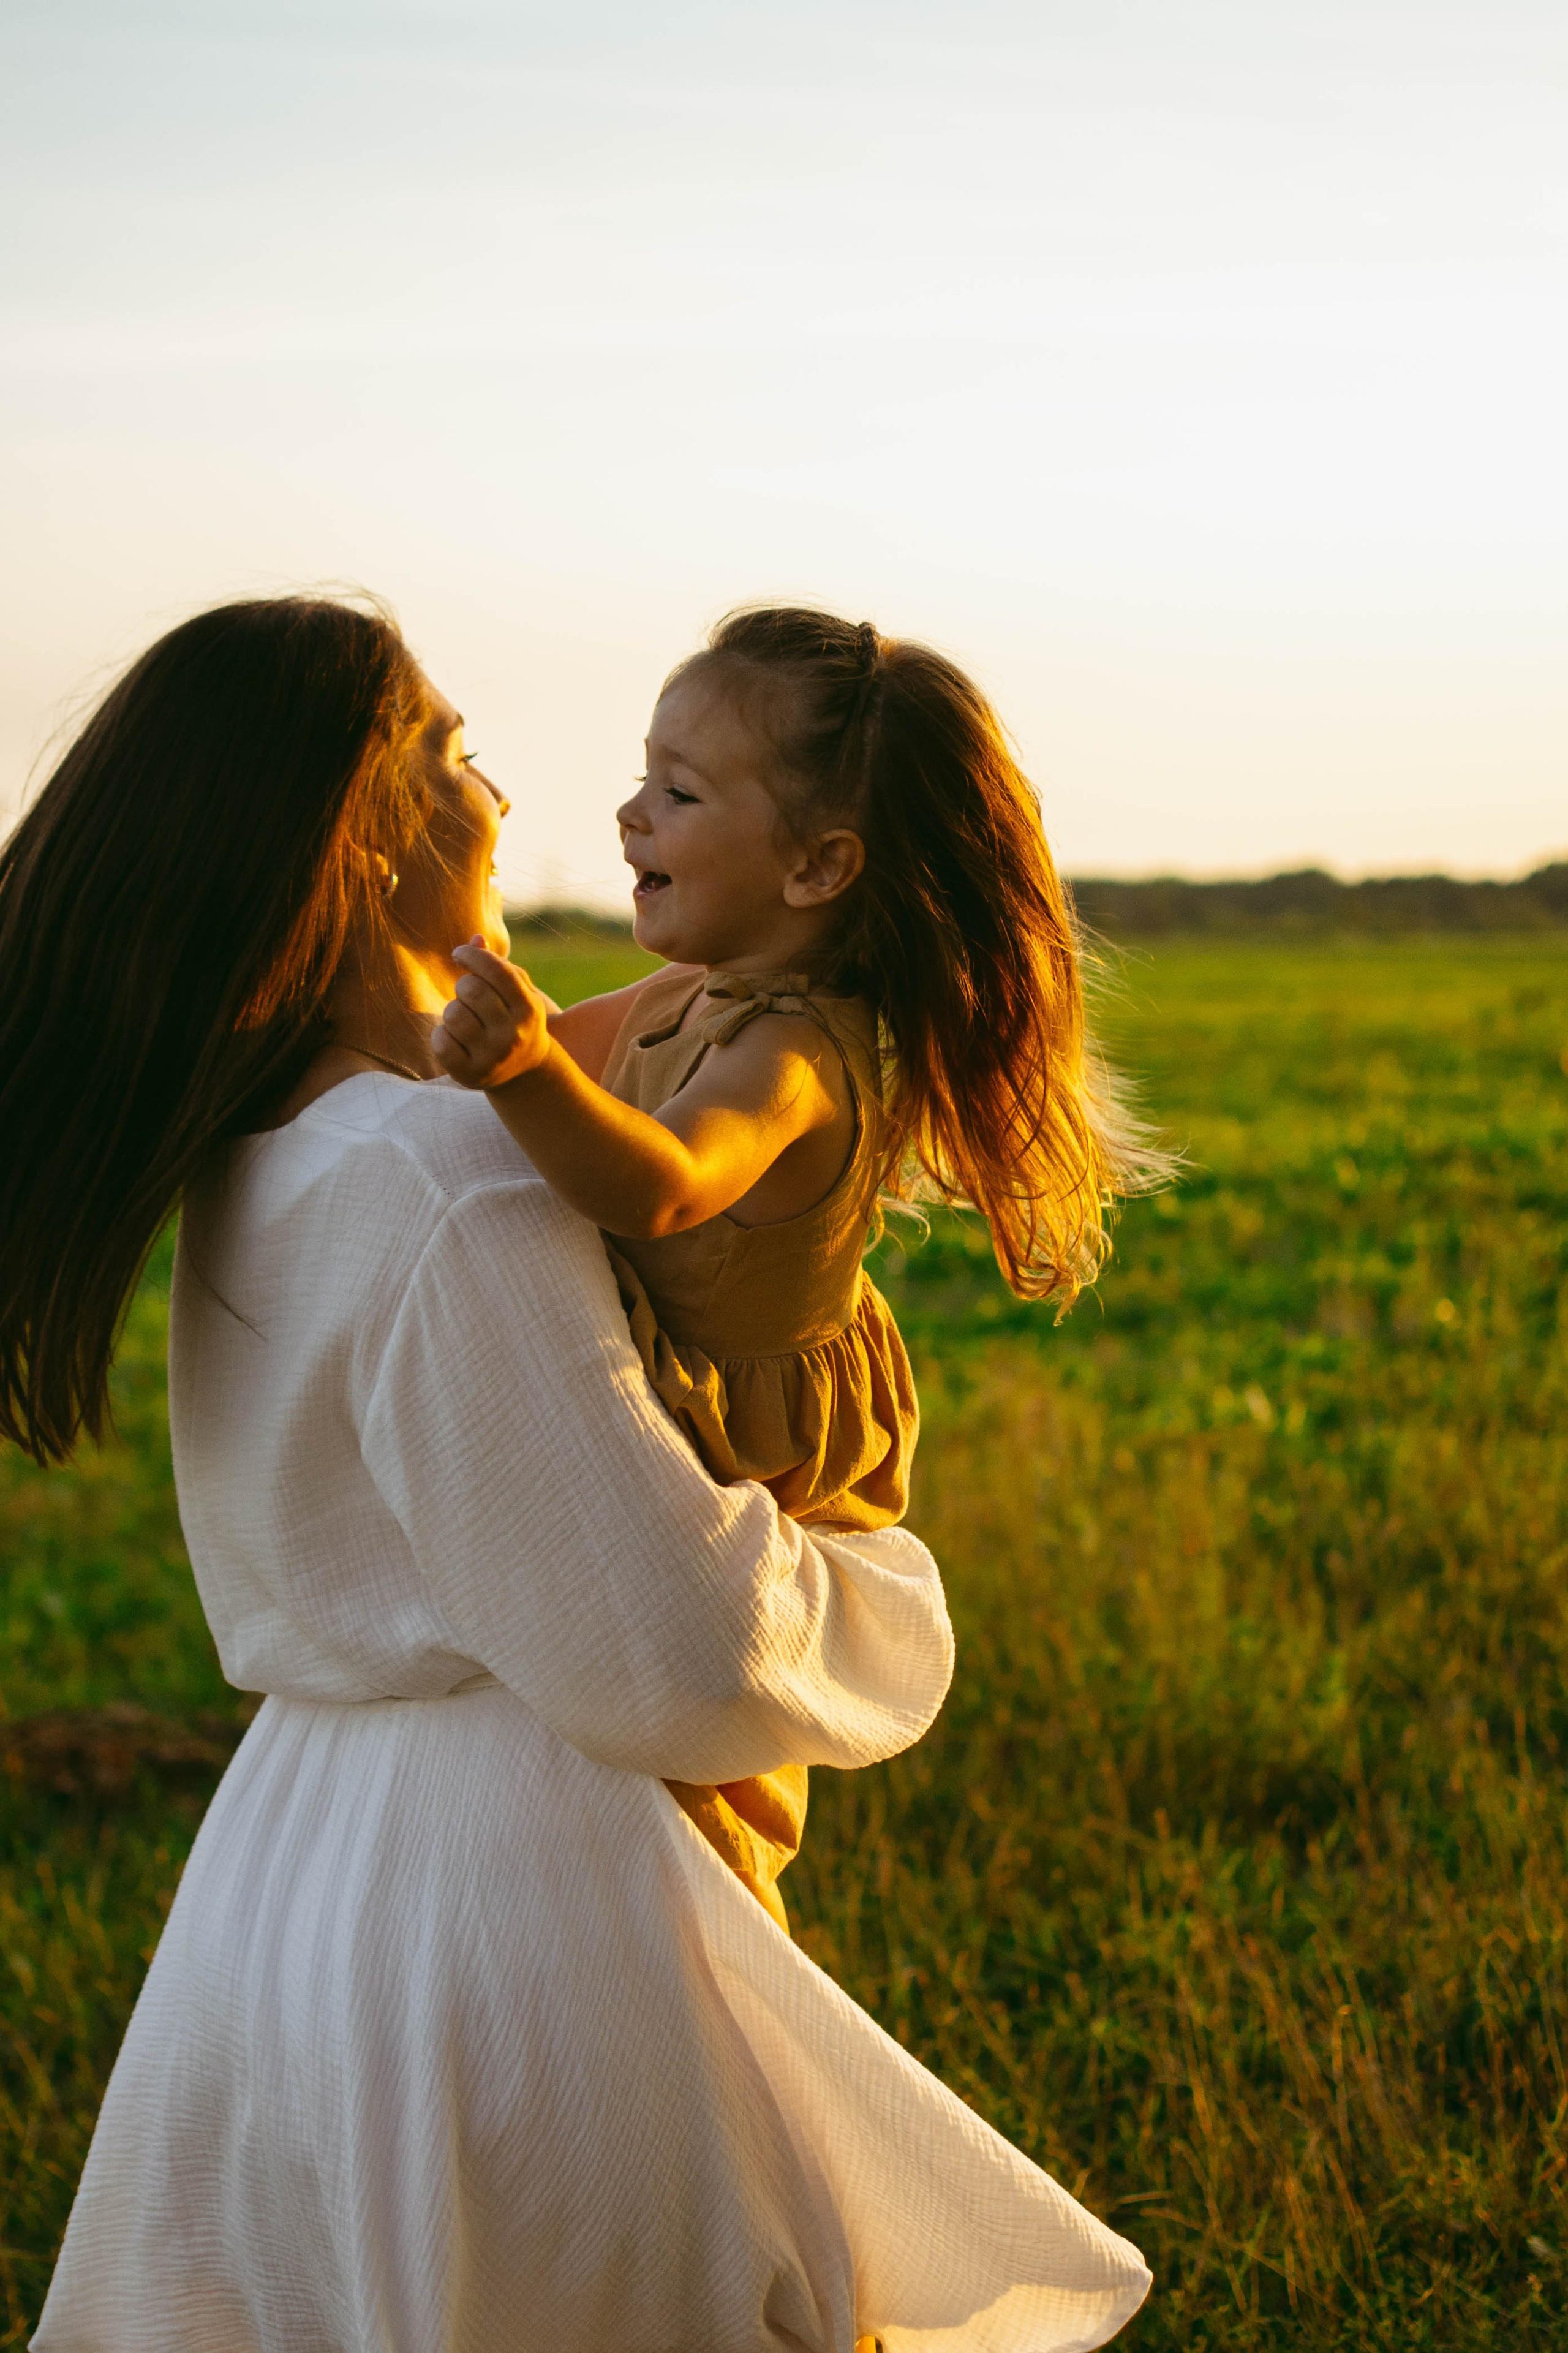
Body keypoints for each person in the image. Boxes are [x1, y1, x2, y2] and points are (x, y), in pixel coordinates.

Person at [1, 593, 1150, 2352]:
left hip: (290, 1872)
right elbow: (676, 1655)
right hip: (506, 1918)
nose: (509, 801)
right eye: (455, 754)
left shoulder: (276, 1150)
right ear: (359, 826)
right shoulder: (442, 1178)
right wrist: (873, 1589)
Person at [431, 606, 1167, 1928]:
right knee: (625, 1753)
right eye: (642, 773)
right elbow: (545, 1036)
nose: (628, 814)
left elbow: (658, 1186)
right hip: (675, 1406)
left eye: (679, 790)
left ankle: (719, 2000)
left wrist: (521, 1070)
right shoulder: (691, 995)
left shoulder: (799, 1055)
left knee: (709, 1777)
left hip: (740, 1438)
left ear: (819, 867)